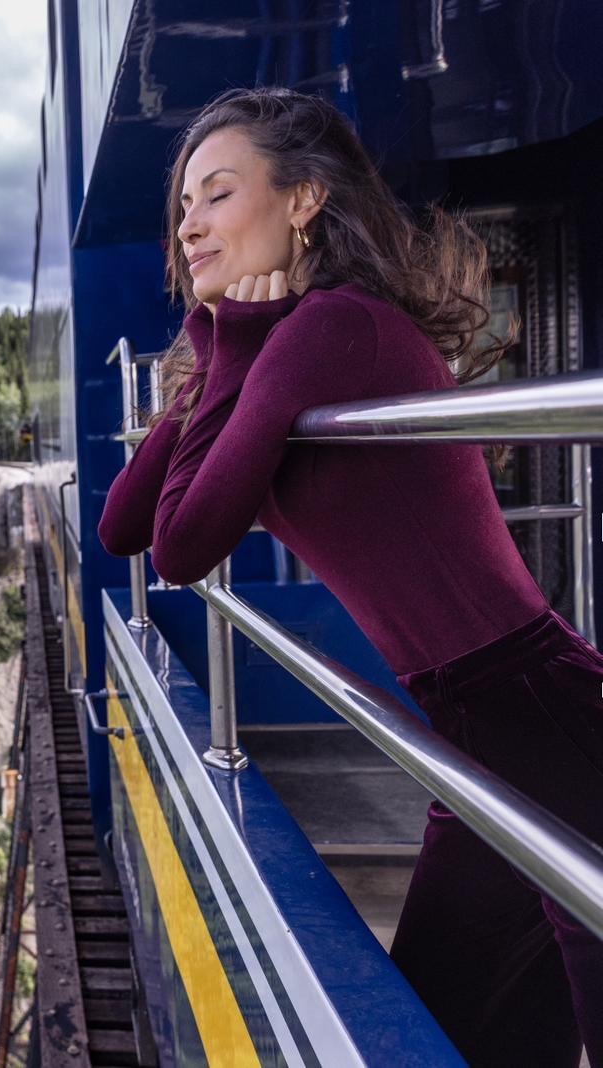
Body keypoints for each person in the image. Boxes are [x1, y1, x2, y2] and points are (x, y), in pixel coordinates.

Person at [95, 86, 603, 1067]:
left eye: (216, 193)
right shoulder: (273, 345)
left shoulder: (328, 330)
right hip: (478, 725)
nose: (188, 224)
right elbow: (126, 524)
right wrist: (215, 351)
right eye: (183, 206)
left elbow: (182, 544)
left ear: (302, 201)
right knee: (465, 1026)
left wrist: (231, 349)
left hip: (536, 715)